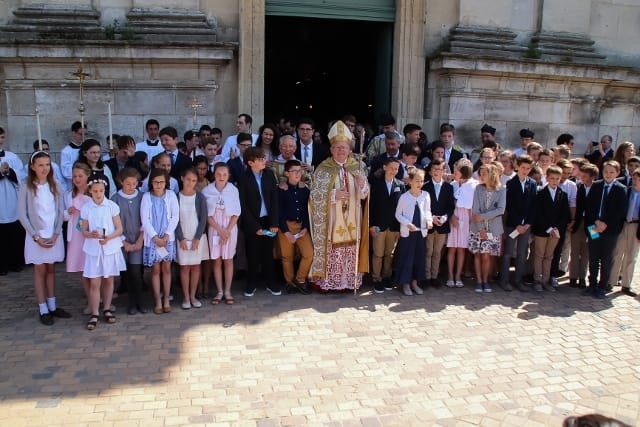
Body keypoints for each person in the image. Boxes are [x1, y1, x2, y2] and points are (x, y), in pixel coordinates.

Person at [309, 120, 369, 292]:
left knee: (350, 248)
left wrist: (362, 185)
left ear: (350, 149)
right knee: (333, 249)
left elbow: (365, 196)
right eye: (337, 147)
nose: (341, 150)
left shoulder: (357, 168)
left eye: (344, 147)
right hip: (332, 219)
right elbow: (315, 195)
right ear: (331, 149)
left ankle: (348, 282)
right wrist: (333, 195)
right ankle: (330, 282)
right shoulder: (323, 168)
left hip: (353, 218)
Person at [18, 150, 71, 325]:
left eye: (47, 164)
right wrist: (36, 236)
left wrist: (56, 234)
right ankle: (43, 308)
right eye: (40, 165)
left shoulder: (55, 184)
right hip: (37, 236)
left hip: (53, 234)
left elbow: (59, 210)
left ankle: (53, 305)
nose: (44, 168)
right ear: (32, 166)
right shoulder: (26, 186)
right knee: (40, 271)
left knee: (51, 269)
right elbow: (22, 214)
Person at [80, 174, 126, 330]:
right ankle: (94, 312)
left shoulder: (112, 206)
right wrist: (90, 234)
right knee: (94, 282)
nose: (98, 194)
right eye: (95, 191)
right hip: (94, 249)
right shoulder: (86, 208)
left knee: (108, 279)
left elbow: (119, 229)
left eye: (101, 191)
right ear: (90, 191)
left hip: (109, 247)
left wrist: (109, 237)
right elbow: (83, 230)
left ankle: (107, 308)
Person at [238, 147, 280, 296]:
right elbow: (242, 205)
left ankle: (270, 282)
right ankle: (251, 283)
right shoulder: (243, 178)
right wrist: (255, 227)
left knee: (268, 253)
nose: (264, 161)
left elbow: (274, 200)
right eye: (260, 159)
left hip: (268, 221)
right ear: (250, 162)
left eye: (264, 157)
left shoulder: (269, 175)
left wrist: (274, 223)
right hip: (252, 223)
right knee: (253, 254)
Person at [583, 160, 627, 299]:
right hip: (594, 227)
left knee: (606, 259)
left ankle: (602, 286)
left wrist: (605, 224)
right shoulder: (596, 185)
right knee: (593, 257)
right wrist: (596, 221)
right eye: (606, 171)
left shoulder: (621, 189)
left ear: (617, 173)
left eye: (611, 172)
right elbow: (589, 206)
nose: (608, 174)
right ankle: (592, 284)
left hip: (610, 230)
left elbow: (620, 212)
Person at [141, 168, 179, 313]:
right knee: (156, 269)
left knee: (167, 268)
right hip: (153, 239)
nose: (159, 185)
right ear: (151, 182)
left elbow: (175, 216)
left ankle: (166, 298)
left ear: (166, 182)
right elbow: (145, 219)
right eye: (156, 182)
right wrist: (155, 237)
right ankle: (157, 299)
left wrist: (167, 235)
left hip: (167, 239)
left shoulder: (171, 195)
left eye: (161, 182)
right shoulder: (146, 197)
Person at [202, 162, 241, 305]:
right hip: (215, 228)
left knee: (228, 259)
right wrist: (219, 230)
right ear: (214, 174)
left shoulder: (233, 190)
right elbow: (206, 214)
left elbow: (236, 213)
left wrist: (227, 231)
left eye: (224, 174)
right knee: (217, 260)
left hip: (230, 229)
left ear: (228, 175)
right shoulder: (207, 191)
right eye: (218, 174)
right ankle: (219, 291)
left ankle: (227, 291)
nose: (221, 177)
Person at [500, 155, 537, 292]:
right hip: (512, 225)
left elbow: (533, 205)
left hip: (526, 226)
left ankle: (518, 280)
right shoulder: (510, 183)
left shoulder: (532, 183)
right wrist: (518, 224)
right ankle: (504, 280)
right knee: (508, 253)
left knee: (522, 253)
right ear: (517, 167)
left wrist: (527, 224)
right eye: (523, 168)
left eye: (528, 168)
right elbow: (509, 206)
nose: (525, 171)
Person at [111, 167, 145, 315]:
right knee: (127, 273)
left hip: (138, 240)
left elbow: (146, 219)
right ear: (121, 182)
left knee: (136, 272)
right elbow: (113, 224)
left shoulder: (142, 197)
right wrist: (123, 242)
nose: (131, 187)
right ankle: (131, 303)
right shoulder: (115, 199)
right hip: (122, 241)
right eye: (128, 184)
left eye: (134, 183)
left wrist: (140, 240)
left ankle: (140, 302)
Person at [531, 166, 571, 292]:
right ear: (547, 178)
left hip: (556, 232)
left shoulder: (562, 194)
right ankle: (537, 280)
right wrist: (549, 228)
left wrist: (556, 228)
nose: (554, 181)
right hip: (542, 230)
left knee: (549, 256)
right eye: (552, 178)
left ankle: (546, 280)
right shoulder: (540, 194)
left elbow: (565, 214)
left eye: (557, 178)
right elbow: (538, 214)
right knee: (539, 255)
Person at [394, 167, 432, 296]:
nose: (419, 183)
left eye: (421, 181)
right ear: (410, 181)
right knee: (407, 258)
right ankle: (405, 284)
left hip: (421, 232)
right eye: (417, 181)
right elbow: (398, 214)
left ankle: (415, 283)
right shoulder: (404, 197)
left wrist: (429, 221)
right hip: (408, 233)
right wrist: (407, 223)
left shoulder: (426, 195)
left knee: (419, 258)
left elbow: (428, 211)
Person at [277, 160, 313, 294]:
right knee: (287, 257)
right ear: (287, 173)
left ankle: (300, 279)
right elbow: (279, 212)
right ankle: (290, 282)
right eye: (294, 171)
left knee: (309, 254)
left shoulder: (305, 189)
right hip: (286, 226)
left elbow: (307, 210)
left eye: (300, 171)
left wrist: (305, 227)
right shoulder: (281, 190)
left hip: (301, 227)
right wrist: (286, 232)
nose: (298, 174)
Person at [368, 157, 404, 293]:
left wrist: (399, 228)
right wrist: (371, 225)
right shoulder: (376, 184)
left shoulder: (400, 185)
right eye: (391, 168)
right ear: (385, 167)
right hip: (378, 225)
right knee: (378, 253)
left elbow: (401, 208)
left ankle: (386, 277)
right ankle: (376, 279)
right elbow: (371, 206)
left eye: (396, 169)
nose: (393, 171)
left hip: (393, 226)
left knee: (389, 253)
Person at [175, 168, 209, 309]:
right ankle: (186, 297)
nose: (190, 183)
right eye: (188, 179)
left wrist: (197, 238)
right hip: (182, 238)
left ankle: (193, 296)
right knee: (184, 267)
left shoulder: (200, 197)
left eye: (194, 180)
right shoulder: (176, 197)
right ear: (182, 178)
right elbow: (174, 219)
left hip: (197, 237)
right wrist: (181, 238)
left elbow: (203, 219)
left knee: (195, 267)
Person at [469, 164, 506, 293]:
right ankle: (479, 281)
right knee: (478, 255)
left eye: (485, 173)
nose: (482, 176)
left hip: (494, 229)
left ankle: (486, 281)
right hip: (478, 229)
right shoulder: (478, 188)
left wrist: (483, 216)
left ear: (492, 174)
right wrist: (481, 229)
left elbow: (500, 210)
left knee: (487, 256)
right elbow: (475, 210)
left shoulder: (502, 190)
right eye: (481, 173)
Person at [64, 162, 92, 312]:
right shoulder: (69, 195)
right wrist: (68, 212)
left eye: (80, 176)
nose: (77, 179)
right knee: (82, 268)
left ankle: (100, 298)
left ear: (87, 176)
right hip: (76, 235)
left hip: (90, 234)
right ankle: (90, 300)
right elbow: (63, 216)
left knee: (94, 267)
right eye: (74, 176)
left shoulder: (93, 192)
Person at [422, 159, 455, 288]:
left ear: (444, 171)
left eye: (439, 169)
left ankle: (434, 276)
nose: (437, 172)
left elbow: (451, 206)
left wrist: (445, 217)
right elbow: (423, 206)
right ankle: (426, 276)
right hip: (429, 224)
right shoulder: (425, 186)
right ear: (430, 171)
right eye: (434, 169)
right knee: (428, 251)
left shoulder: (448, 187)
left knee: (437, 252)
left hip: (442, 225)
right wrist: (431, 217)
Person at [608, 170, 640, 297]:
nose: (636, 182)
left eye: (639, 180)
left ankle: (626, 285)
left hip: (636, 226)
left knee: (631, 256)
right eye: (634, 179)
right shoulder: (626, 191)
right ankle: (611, 281)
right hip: (623, 225)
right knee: (617, 253)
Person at [446, 159, 476, 288]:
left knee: (461, 249)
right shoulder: (452, 185)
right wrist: (451, 217)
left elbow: (472, 206)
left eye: (457, 171)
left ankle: (458, 275)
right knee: (452, 248)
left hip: (466, 219)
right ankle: (450, 276)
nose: (454, 173)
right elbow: (448, 203)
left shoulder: (473, 185)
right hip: (453, 217)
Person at [0, 127, 25, 275]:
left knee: (14, 234)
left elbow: (21, 175)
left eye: (2, 137)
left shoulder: (12, 157)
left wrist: (9, 172)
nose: (0, 140)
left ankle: (16, 263)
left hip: (11, 199)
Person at [569, 163, 598, 289]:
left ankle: (582, 277)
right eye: (581, 175)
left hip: (593, 225)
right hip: (579, 222)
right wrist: (573, 221)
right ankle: (573, 277)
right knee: (575, 251)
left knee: (587, 252)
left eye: (585, 176)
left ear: (592, 177)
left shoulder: (598, 188)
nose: (582, 178)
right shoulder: (579, 187)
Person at [60, 121, 87, 189]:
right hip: (73, 185)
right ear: (73, 133)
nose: (83, 137)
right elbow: (65, 172)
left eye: (85, 134)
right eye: (80, 134)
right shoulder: (66, 151)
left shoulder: (87, 149)